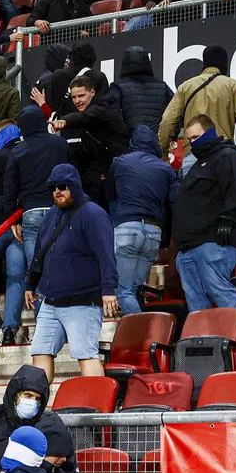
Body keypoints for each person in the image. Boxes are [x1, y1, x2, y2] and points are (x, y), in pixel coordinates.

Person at [25, 163, 117, 384]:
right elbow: (40, 252)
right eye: (53, 187)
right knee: (40, 352)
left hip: (83, 300)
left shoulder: (93, 214)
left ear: (74, 186)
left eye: (63, 186)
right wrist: (30, 284)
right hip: (50, 300)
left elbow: (106, 254)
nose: (58, 191)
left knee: (86, 355)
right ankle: (37, 409)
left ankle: (98, 412)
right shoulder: (50, 216)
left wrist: (109, 289)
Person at [0, 106, 69, 346]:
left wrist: (13, 218)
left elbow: (9, 189)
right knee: (61, 268)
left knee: (37, 273)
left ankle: (44, 331)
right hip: (58, 212)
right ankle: (62, 327)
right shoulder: (59, 145)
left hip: (29, 214)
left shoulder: (17, 151)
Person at [173, 115, 236, 313]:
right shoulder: (198, 165)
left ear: (209, 133)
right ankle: (203, 341)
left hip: (215, 241)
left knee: (219, 291)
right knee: (196, 301)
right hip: (190, 246)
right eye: (189, 139)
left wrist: (228, 220)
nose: (193, 143)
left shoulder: (227, 156)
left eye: (196, 137)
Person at [107, 126, 180, 315]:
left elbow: (108, 194)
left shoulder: (120, 162)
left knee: (123, 291)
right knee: (135, 290)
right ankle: (143, 330)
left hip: (126, 229)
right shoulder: (165, 169)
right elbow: (173, 203)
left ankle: (140, 328)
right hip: (153, 232)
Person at [51, 74, 131, 205]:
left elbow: (84, 117)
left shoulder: (101, 107)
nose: (77, 101)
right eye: (74, 97)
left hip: (118, 172)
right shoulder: (91, 110)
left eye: (81, 95)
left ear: (92, 92)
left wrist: (65, 121)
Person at [158, 46, 236, 161]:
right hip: (223, 155)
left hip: (193, 155)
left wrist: (163, 153)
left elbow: (167, 122)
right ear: (224, 64)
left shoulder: (185, 87)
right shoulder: (233, 86)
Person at [108, 46, 173, 135]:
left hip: (130, 144)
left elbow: (112, 117)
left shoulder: (117, 87)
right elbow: (174, 113)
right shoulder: (162, 86)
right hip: (156, 143)